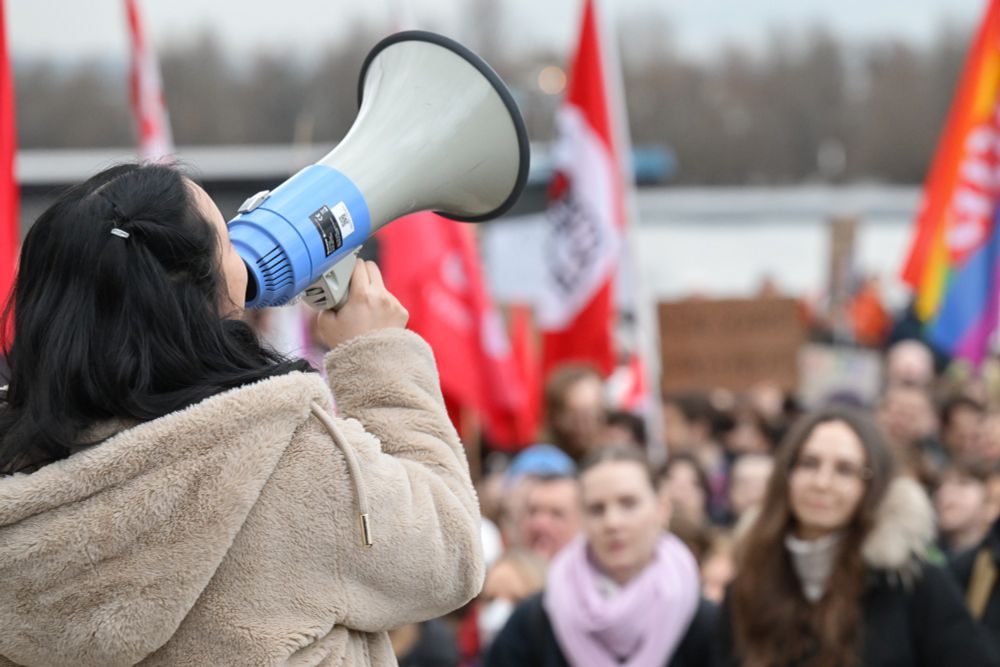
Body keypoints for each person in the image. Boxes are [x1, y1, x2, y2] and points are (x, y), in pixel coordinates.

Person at [0, 163, 484, 666]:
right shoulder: (281, 461)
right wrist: (378, 354)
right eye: (226, 244)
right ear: (197, 290)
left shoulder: (19, 477)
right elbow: (449, 554)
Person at [717, 406, 997, 667]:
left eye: (845, 470)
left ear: (872, 486)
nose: (822, 483)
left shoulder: (914, 582)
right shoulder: (750, 583)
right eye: (809, 463)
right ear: (785, 474)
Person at [486, 446, 717, 667]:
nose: (613, 522)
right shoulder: (535, 620)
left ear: (662, 508)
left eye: (628, 504)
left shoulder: (705, 622)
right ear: (582, 518)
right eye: (597, 509)